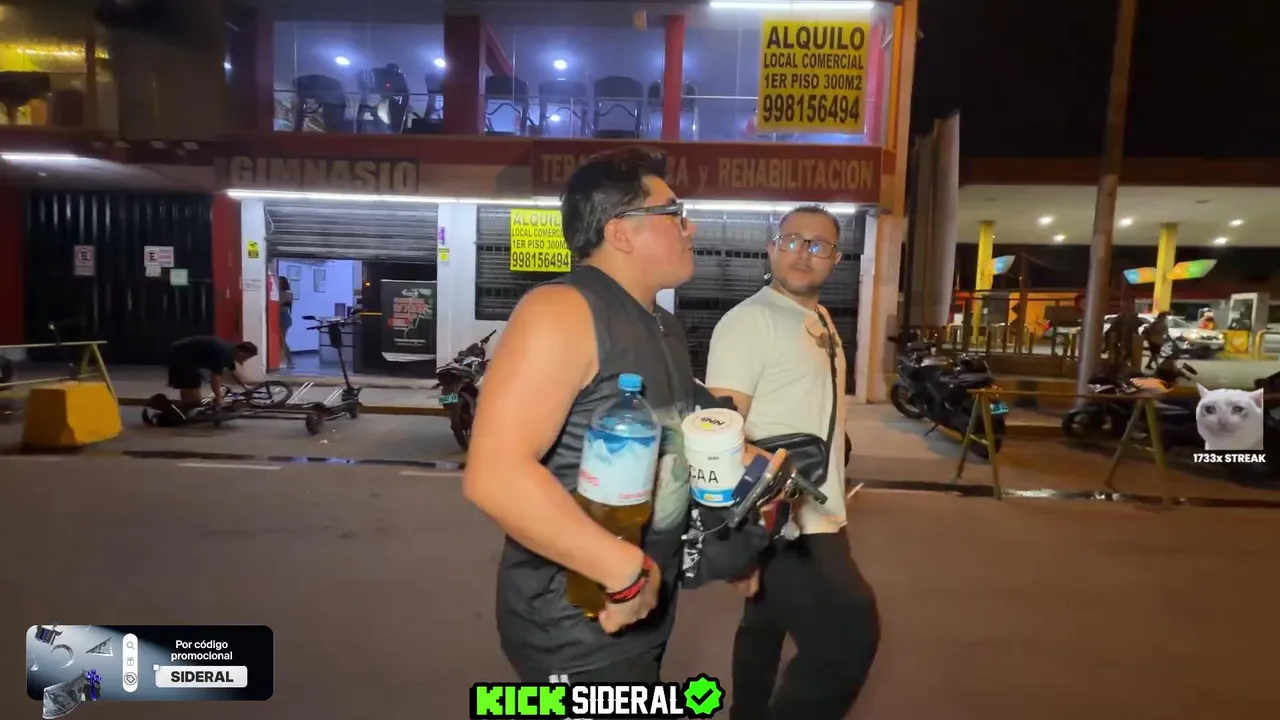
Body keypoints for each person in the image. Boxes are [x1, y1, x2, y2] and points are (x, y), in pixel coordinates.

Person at [463, 147, 735, 684]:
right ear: (621, 232)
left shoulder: (661, 325)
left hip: (643, 610)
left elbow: (674, 433)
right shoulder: (562, 310)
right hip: (579, 619)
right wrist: (623, 572)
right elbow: (494, 475)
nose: (691, 227)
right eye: (674, 213)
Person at [706, 205, 880, 720]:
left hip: (820, 511)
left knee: (763, 624)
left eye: (818, 245)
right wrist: (737, 540)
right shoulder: (749, 321)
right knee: (850, 632)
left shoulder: (818, 318)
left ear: (836, 259)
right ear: (772, 248)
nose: (804, 253)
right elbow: (719, 434)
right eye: (793, 240)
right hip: (785, 520)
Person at [167, 336, 258, 408]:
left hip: (188, 359)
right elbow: (216, 377)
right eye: (247, 357)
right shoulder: (223, 353)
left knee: (193, 389)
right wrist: (219, 397)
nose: (245, 360)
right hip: (180, 357)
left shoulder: (230, 351)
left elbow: (233, 370)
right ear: (241, 352)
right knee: (192, 392)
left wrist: (244, 386)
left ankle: (183, 406)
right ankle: (170, 407)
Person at [278, 275, 295, 369]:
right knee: (281, 340)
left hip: (283, 317)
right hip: (280, 317)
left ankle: (285, 360)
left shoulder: (287, 293)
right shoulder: (279, 293)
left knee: (281, 340)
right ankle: (289, 360)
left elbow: (280, 304)